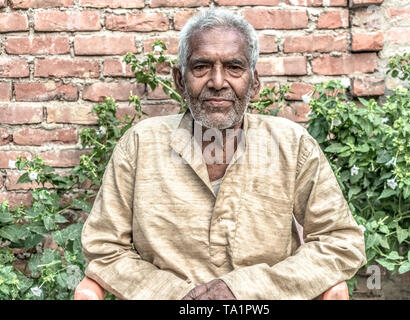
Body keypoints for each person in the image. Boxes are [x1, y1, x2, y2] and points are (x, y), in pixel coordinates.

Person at [81, 8, 366, 300]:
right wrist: (178, 295)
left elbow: (340, 242)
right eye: (202, 67)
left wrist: (246, 290)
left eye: (234, 67)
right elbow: (105, 248)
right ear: (180, 80)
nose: (218, 81)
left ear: (254, 82)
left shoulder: (292, 145)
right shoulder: (140, 145)